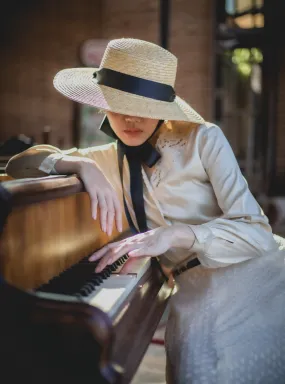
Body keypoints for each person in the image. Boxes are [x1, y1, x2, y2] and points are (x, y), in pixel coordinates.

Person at [5, 38, 285, 383]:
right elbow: (21, 164)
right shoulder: (106, 158)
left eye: (143, 105)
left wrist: (176, 234)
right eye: (119, 104)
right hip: (190, 291)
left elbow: (258, 231)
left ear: (163, 106)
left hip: (257, 280)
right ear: (103, 104)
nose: (130, 117)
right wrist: (78, 163)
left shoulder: (204, 139)